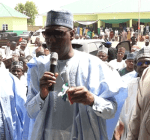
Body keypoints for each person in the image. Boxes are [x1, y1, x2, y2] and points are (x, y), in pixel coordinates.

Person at [25, 10, 127, 140]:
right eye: (47, 34)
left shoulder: (94, 65)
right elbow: (30, 112)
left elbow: (112, 111)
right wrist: (41, 95)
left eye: (58, 33)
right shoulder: (38, 68)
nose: (51, 39)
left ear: (72, 34)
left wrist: (92, 100)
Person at [127, 47, 150, 140]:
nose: (144, 65)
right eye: (140, 63)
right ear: (135, 67)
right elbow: (135, 116)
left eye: (148, 63)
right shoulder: (129, 85)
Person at [0, 62, 26, 140]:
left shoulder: (9, 78)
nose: (16, 73)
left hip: (7, 123)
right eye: (14, 70)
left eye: (18, 71)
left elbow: (22, 104)